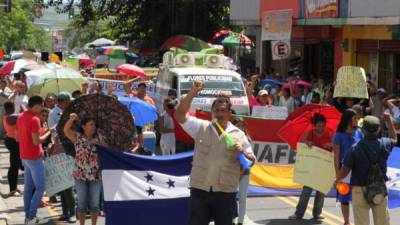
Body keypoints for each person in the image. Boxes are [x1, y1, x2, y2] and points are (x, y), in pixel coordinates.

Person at [174, 80, 255, 225]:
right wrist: (192, 93)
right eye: (216, 110)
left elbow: (251, 161)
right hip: (200, 189)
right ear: (212, 112)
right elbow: (179, 116)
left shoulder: (239, 134)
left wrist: (242, 151)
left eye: (223, 110)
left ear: (229, 113)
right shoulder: (201, 127)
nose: (219, 113)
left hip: (225, 191)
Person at [336, 114, 397, 225]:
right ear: (378, 130)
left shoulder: (355, 148)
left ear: (363, 130)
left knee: (361, 222)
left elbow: (345, 170)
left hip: (359, 190)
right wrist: (388, 120)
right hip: (379, 189)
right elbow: (394, 139)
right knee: (382, 222)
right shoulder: (385, 144)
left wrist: (337, 179)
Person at [289, 113, 333, 220]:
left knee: (321, 191)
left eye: (323, 125)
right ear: (314, 125)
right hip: (310, 168)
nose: (321, 128)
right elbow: (300, 143)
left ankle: (317, 213)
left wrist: (331, 145)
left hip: (324, 167)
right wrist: (306, 142)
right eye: (319, 126)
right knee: (306, 190)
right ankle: (298, 213)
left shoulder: (330, 134)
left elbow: (337, 146)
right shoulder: (309, 133)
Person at [63, 114, 105, 225]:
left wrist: (99, 143)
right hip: (80, 175)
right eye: (91, 124)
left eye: (94, 125)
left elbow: (107, 149)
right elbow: (66, 130)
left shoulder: (99, 138)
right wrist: (71, 119)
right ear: (83, 126)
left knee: (94, 204)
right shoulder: (77, 137)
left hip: (96, 176)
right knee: (81, 204)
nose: (93, 126)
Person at [17, 96, 52, 224]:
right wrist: (49, 132)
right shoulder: (34, 119)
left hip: (25, 156)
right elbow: (37, 141)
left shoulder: (21, 116)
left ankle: (28, 216)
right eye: (41, 105)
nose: (42, 108)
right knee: (40, 187)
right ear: (36, 105)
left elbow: (19, 137)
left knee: (28, 188)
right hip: (34, 157)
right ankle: (31, 216)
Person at [47, 93, 76, 223]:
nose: (69, 103)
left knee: (67, 184)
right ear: (63, 101)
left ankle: (69, 212)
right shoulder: (54, 113)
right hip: (59, 151)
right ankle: (68, 212)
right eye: (68, 101)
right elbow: (54, 131)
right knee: (64, 185)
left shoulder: (67, 113)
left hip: (67, 151)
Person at [333, 109, 363, 225]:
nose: (357, 120)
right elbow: (336, 156)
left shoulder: (360, 132)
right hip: (344, 170)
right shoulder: (338, 135)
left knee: (359, 197)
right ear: (348, 119)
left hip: (359, 169)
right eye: (355, 118)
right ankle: (346, 222)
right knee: (344, 197)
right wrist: (338, 174)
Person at [232, 117, 253, 225]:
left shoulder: (247, 139)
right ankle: (232, 220)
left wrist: (243, 150)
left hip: (244, 172)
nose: (239, 127)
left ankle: (240, 221)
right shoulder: (229, 138)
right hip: (232, 172)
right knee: (231, 197)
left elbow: (252, 158)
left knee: (242, 198)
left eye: (241, 125)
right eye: (237, 125)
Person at [3, 101, 22, 197]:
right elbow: (16, 117)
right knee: (14, 166)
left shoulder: (10, 115)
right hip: (13, 142)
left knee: (18, 165)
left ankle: (14, 187)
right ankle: (12, 189)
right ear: (12, 107)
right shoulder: (9, 117)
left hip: (14, 142)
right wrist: (24, 112)